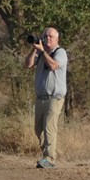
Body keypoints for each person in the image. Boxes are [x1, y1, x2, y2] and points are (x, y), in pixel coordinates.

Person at [24, 27, 67, 169]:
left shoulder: (60, 53)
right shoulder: (41, 53)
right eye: (45, 36)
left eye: (51, 37)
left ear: (57, 39)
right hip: (40, 97)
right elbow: (28, 64)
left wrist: (43, 52)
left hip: (54, 97)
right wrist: (34, 49)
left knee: (49, 128)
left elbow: (54, 65)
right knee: (38, 130)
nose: (47, 39)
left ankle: (50, 158)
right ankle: (46, 156)